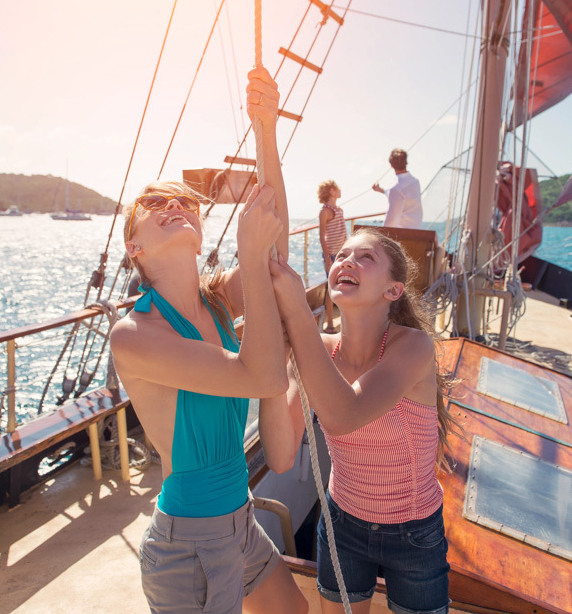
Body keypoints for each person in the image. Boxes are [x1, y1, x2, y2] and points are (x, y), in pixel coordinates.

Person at [110, 67, 308, 614]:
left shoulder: (217, 299)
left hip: (239, 519)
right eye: (155, 206)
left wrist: (265, 129)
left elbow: (273, 247)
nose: (175, 205)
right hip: (188, 545)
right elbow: (262, 376)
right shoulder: (135, 335)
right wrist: (249, 249)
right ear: (135, 249)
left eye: (185, 202)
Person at [261, 228, 457, 614]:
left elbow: (343, 415)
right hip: (341, 524)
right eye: (340, 256)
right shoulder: (318, 350)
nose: (346, 261)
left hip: (414, 532)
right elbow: (281, 457)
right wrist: (278, 360)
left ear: (393, 290)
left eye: (365, 258)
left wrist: (298, 316)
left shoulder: (413, 347)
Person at [317, 180, 346, 334]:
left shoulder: (339, 210)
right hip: (332, 255)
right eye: (337, 188)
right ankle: (329, 323)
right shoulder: (325, 212)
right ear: (331, 191)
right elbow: (322, 237)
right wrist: (328, 259)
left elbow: (342, 233)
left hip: (342, 254)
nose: (340, 190)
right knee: (331, 288)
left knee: (343, 285)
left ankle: (345, 319)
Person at [372, 148, 423, 229]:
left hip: (402, 236)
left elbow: (390, 222)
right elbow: (399, 194)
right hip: (417, 231)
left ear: (391, 165)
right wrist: (380, 190)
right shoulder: (415, 182)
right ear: (406, 162)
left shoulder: (396, 189)